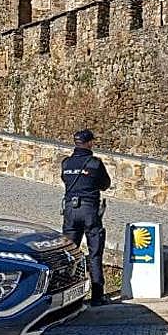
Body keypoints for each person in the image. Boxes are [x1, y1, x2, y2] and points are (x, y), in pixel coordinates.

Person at [61, 128, 113, 306]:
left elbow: (65, 180)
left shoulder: (66, 163)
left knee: (69, 254)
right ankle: (97, 296)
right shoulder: (94, 163)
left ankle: (69, 297)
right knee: (95, 253)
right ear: (90, 143)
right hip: (89, 210)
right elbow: (105, 184)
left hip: (70, 211)